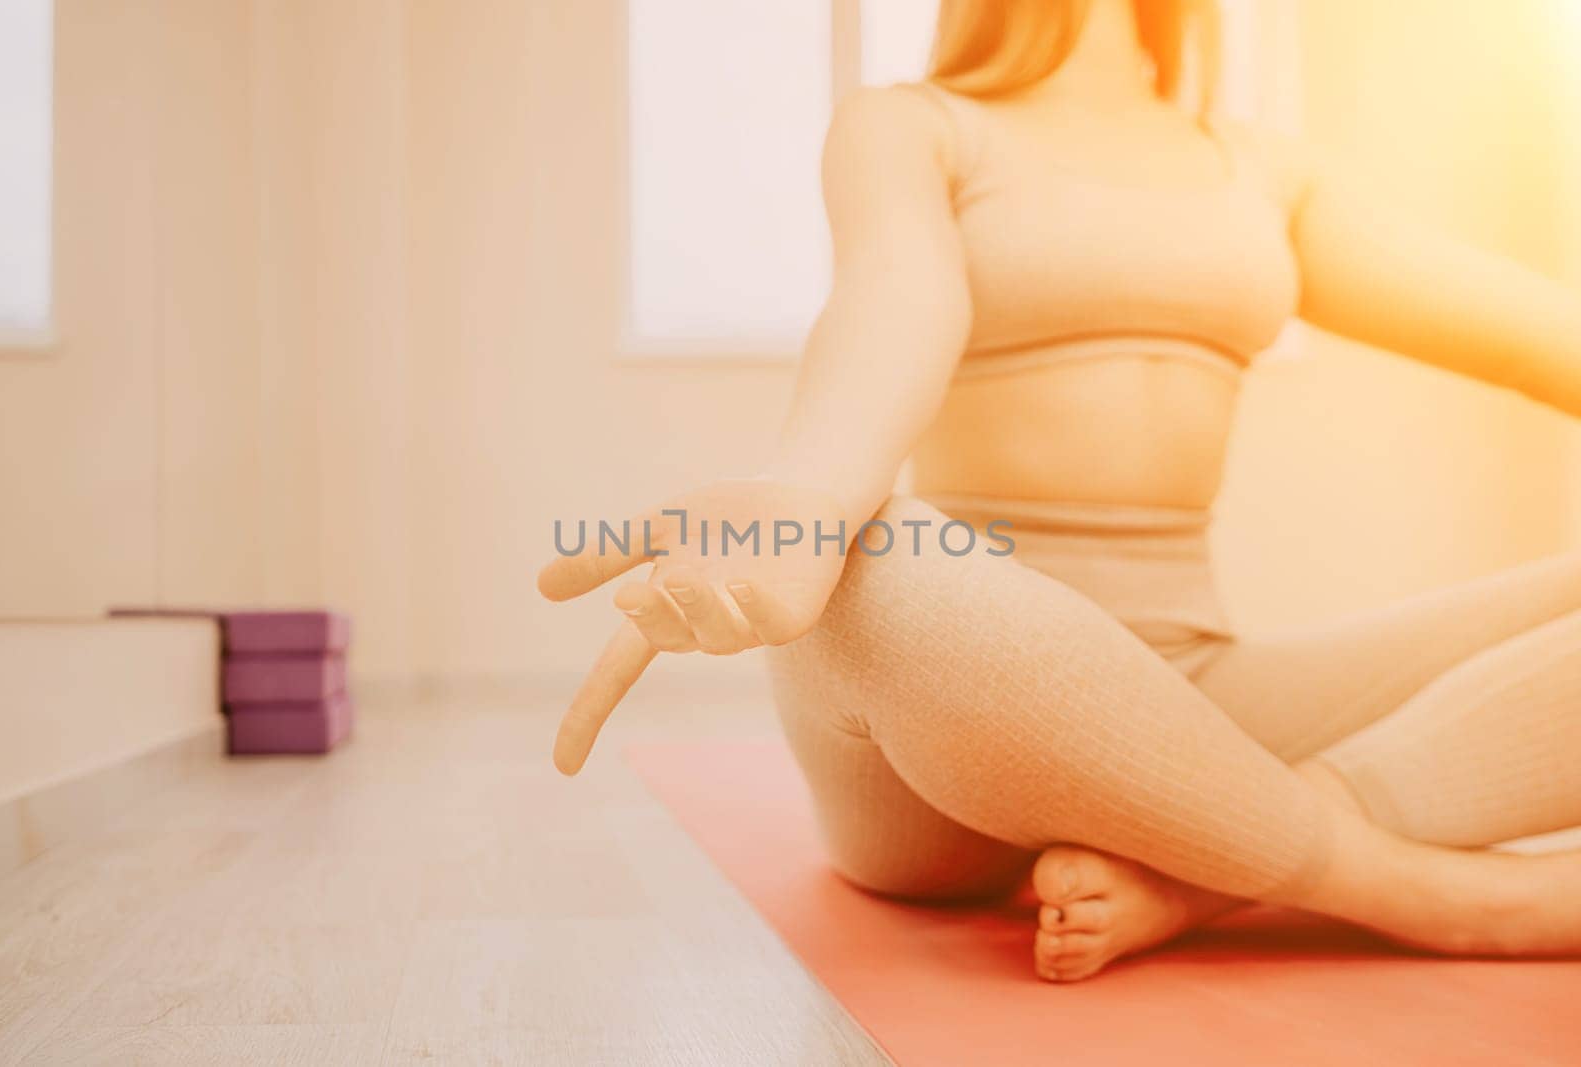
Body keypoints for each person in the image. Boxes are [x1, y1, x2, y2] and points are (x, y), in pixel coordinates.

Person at [540, 0, 1581, 982]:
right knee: (885, 547)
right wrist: (810, 494)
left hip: (1193, 699)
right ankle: (1428, 894)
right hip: (945, 732)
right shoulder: (914, 127)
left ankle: (1197, 872)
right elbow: (896, 297)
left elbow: (1539, 341)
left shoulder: (1266, 172)